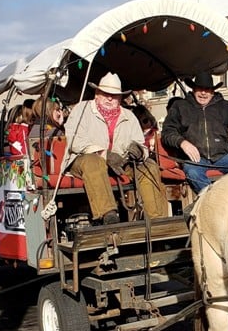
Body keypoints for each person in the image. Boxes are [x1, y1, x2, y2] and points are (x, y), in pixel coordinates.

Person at [63, 72, 168, 224]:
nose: (110, 98)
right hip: (84, 160)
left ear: (120, 98)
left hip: (121, 164)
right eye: (106, 94)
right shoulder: (81, 110)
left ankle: (158, 221)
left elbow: (141, 144)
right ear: (97, 94)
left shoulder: (129, 116)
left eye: (114, 95)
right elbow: (74, 141)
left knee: (149, 166)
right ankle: (109, 215)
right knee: (94, 162)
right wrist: (103, 153)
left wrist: (139, 152)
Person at [161, 71, 228, 193]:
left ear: (212, 91)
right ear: (193, 89)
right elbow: (167, 132)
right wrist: (182, 143)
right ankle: (212, 199)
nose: (203, 93)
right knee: (193, 172)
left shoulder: (225, 106)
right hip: (196, 160)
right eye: (200, 88)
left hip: (222, 157)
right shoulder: (180, 106)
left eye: (207, 89)